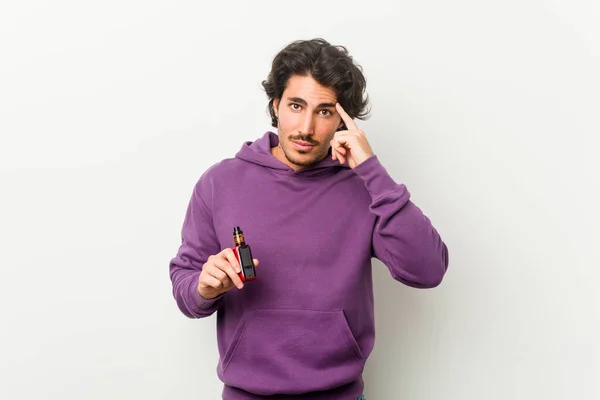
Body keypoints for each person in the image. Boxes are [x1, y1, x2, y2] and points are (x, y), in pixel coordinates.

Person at [169, 38, 449, 400]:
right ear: (276, 105)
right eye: (296, 106)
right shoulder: (219, 183)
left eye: (324, 111)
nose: (306, 127)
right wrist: (203, 289)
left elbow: (428, 270)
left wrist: (371, 170)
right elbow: (185, 284)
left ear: (343, 119)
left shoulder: (365, 188)